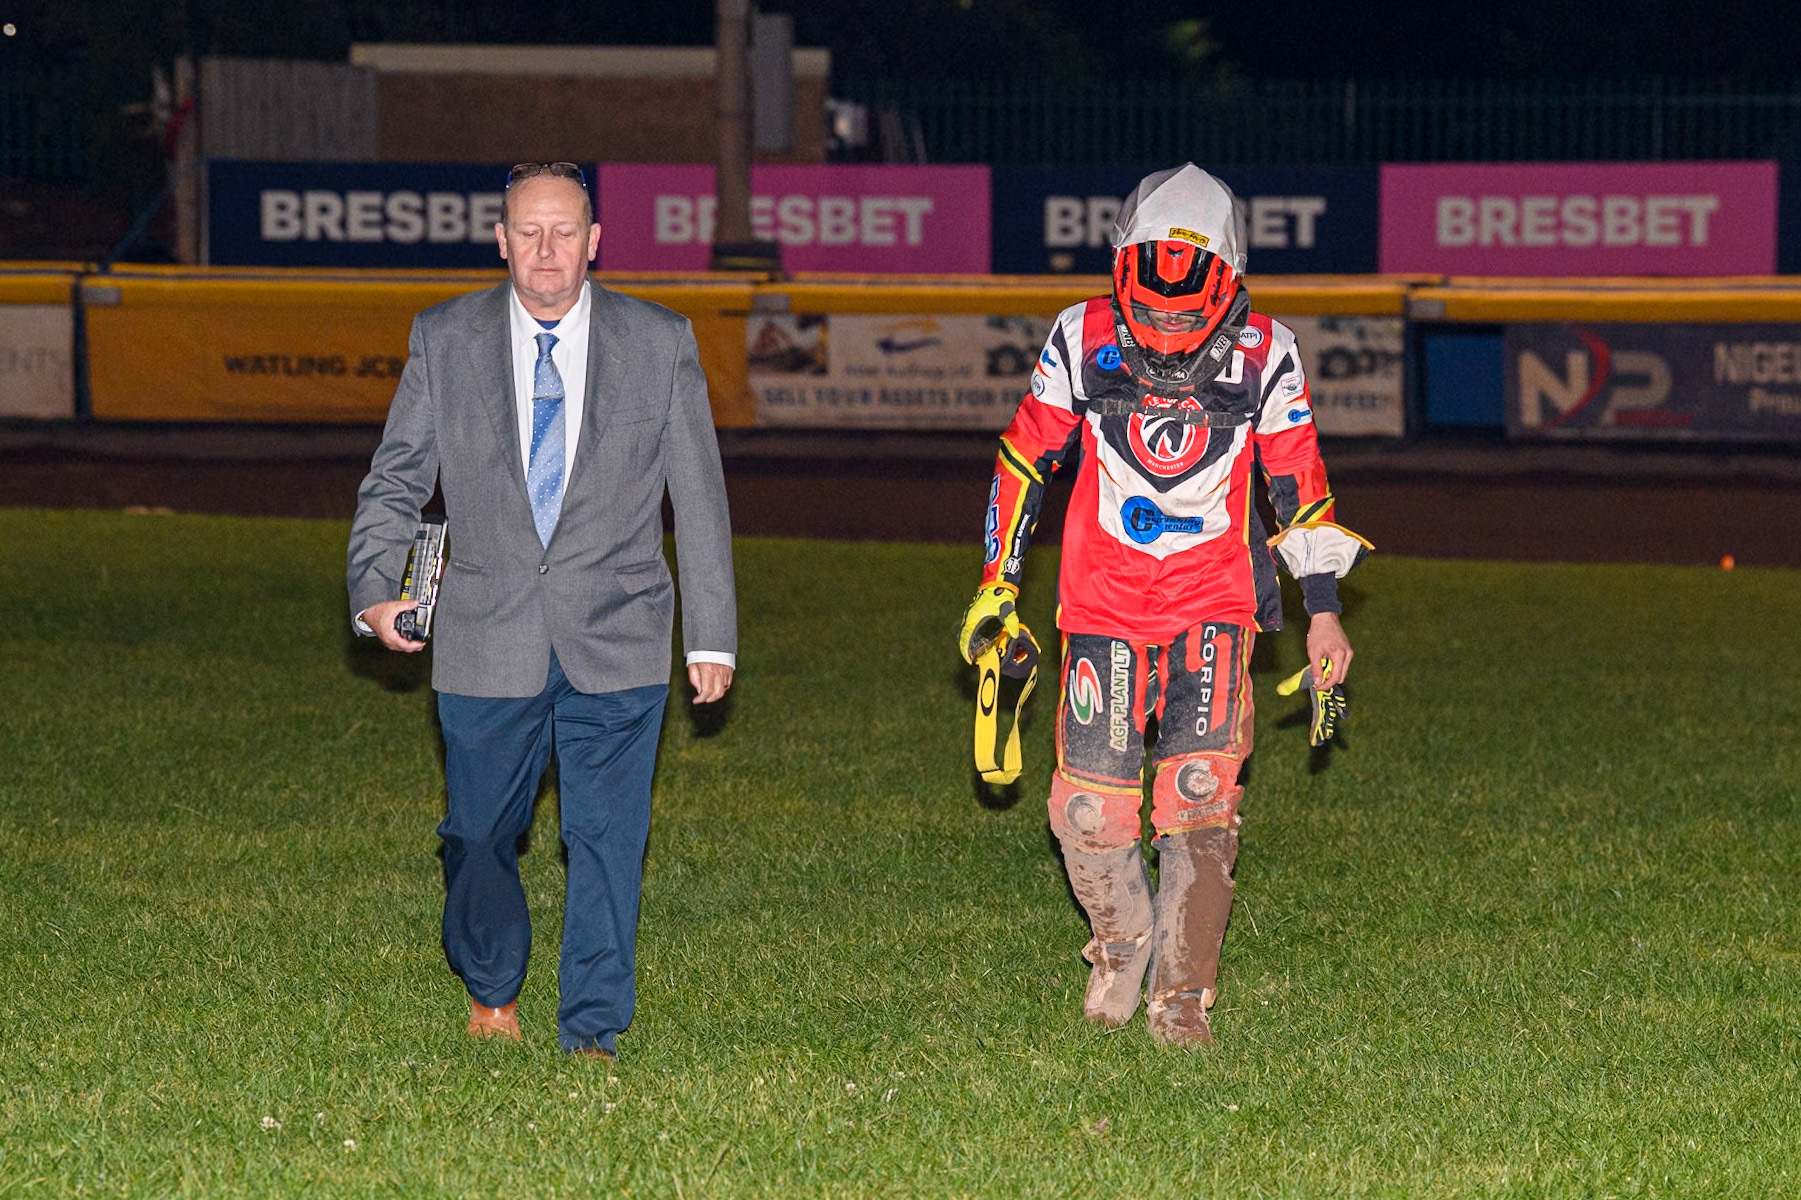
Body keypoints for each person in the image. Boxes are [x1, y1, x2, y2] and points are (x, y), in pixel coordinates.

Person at [957, 163, 1368, 1047]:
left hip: (1212, 600)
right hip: (1101, 602)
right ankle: (1120, 941)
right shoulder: (1078, 337)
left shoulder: (1269, 352)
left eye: (1189, 316)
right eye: (1154, 313)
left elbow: (1297, 485)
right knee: (1085, 813)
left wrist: (1323, 610)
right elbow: (1024, 460)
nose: (1171, 333)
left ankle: (1182, 1001)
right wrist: (998, 584)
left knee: (1198, 798)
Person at [346, 162, 737, 1061]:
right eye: (529, 231)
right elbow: (396, 478)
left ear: (596, 242)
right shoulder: (444, 337)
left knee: (607, 837)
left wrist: (710, 635)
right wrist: (375, 587)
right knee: (478, 831)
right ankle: (490, 981)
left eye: (565, 232)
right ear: (501, 240)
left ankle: (592, 1025)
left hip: (622, 633)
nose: (547, 250)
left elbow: (700, 498)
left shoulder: (660, 339)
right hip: (486, 632)